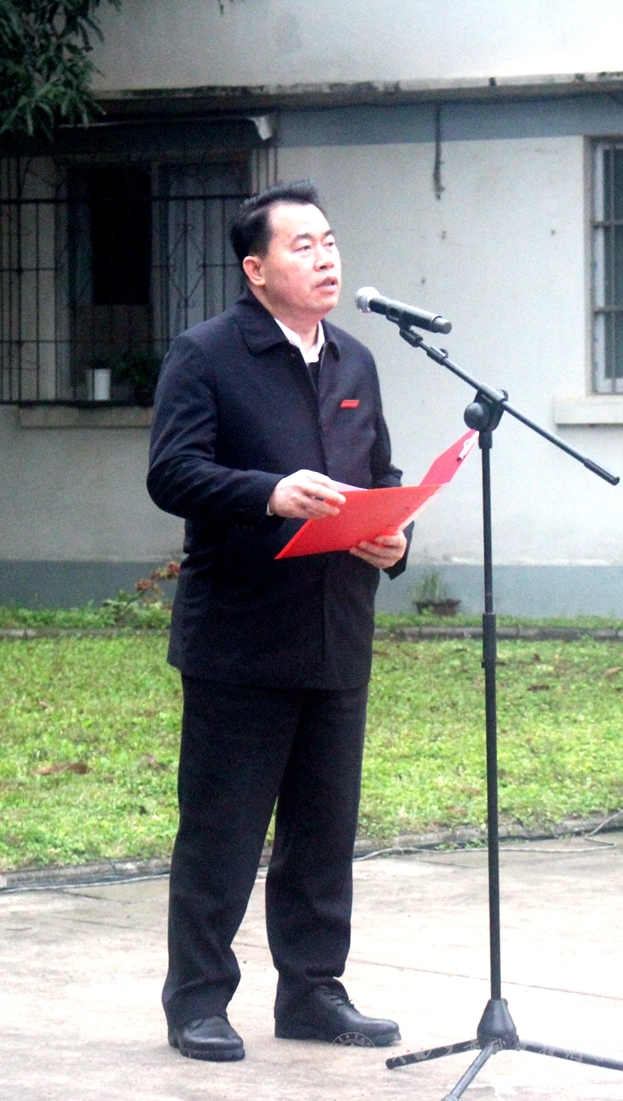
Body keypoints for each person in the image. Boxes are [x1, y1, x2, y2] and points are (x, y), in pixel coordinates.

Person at [147, 180, 409, 1062]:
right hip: (241, 635)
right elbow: (171, 471)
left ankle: (312, 990)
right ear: (256, 270)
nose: (326, 257)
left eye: (329, 241)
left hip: (338, 626)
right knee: (221, 831)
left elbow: (380, 473)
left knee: (323, 830)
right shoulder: (207, 354)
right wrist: (269, 493)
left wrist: (394, 539)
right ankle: (197, 999)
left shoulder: (356, 361)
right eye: (303, 246)